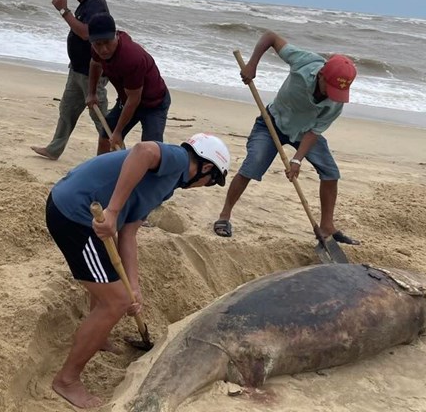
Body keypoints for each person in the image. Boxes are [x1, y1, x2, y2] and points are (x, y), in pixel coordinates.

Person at [46, 133, 230, 408]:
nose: (206, 186)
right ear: (205, 167)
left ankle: (99, 337)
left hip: (82, 214)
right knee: (115, 302)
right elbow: (143, 150)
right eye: (212, 181)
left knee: (120, 292)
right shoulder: (177, 159)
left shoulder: (167, 184)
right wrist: (112, 211)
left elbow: (129, 232)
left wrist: (134, 287)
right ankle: (67, 380)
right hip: (75, 214)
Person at [213, 30, 360, 246]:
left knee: (330, 172)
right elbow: (270, 37)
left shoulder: (336, 102)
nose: (332, 95)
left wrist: (297, 159)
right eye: (330, 88)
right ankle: (224, 216)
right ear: (321, 74)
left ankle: (327, 226)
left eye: (338, 91)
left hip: (304, 132)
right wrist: (252, 65)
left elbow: (314, 132)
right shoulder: (305, 62)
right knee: (252, 165)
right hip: (271, 122)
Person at [31, 0, 110, 160]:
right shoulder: (87, 2)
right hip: (77, 69)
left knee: (100, 117)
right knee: (67, 110)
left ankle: (118, 153)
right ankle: (54, 149)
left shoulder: (96, 3)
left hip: (91, 72)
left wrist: (64, 11)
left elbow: (86, 33)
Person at [86, 12, 171, 152]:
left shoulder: (131, 57)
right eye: (98, 44)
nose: (103, 49)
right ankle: (102, 165)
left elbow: (134, 99)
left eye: (107, 43)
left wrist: (118, 132)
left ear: (115, 35)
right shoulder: (97, 48)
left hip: (154, 103)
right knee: (105, 137)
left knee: (150, 149)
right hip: (127, 100)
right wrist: (92, 93)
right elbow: (95, 64)